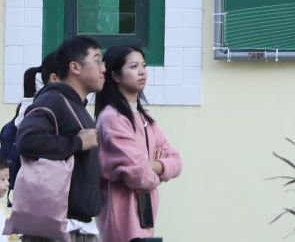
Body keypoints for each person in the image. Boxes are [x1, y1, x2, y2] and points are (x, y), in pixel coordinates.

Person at [15, 37, 105, 242]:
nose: (103, 69)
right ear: (75, 67)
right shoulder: (53, 100)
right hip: (56, 227)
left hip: (77, 225)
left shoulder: (76, 105)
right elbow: (28, 140)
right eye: (97, 60)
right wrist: (77, 143)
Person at [95, 45, 181, 242]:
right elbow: (137, 175)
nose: (142, 72)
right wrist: (159, 171)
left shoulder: (145, 118)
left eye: (143, 65)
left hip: (145, 212)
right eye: (133, 66)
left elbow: (177, 161)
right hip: (120, 213)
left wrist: (151, 166)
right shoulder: (112, 118)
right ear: (115, 75)